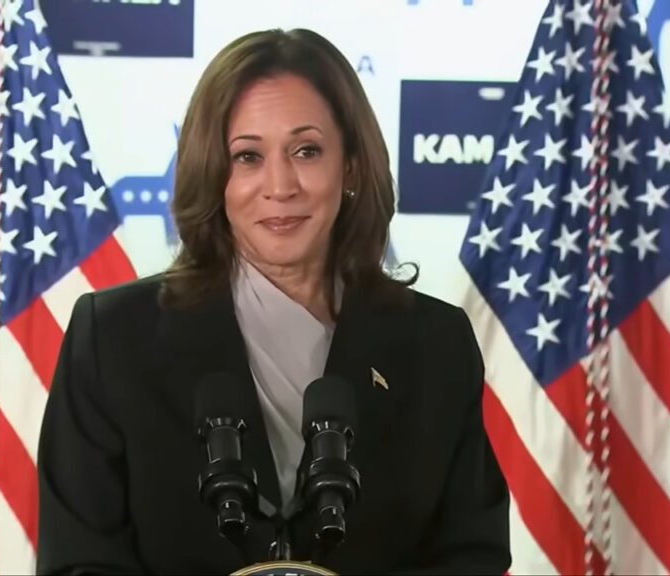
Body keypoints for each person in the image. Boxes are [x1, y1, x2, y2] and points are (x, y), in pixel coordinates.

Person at [35, 27, 511, 575]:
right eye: (247, 156)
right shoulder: (114, 338)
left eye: (306, 150)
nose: (280, 185)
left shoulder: (436, 343)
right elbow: (80, 562)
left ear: (351, 166)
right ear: (213, 173)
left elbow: (470, 555)